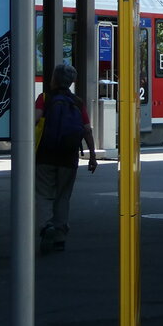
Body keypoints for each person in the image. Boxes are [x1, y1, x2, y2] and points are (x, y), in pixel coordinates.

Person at [35, 62, 97, 252]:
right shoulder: (77, 102)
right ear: (71, 82)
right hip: (68, 158)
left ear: (54, 79)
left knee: (44, 194)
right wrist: (92, 156)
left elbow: (35, 119)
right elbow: (87, 130)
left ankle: (47, 226)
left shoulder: (44, 98)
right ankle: (60, 236)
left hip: (45, 155)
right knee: (63, 197)